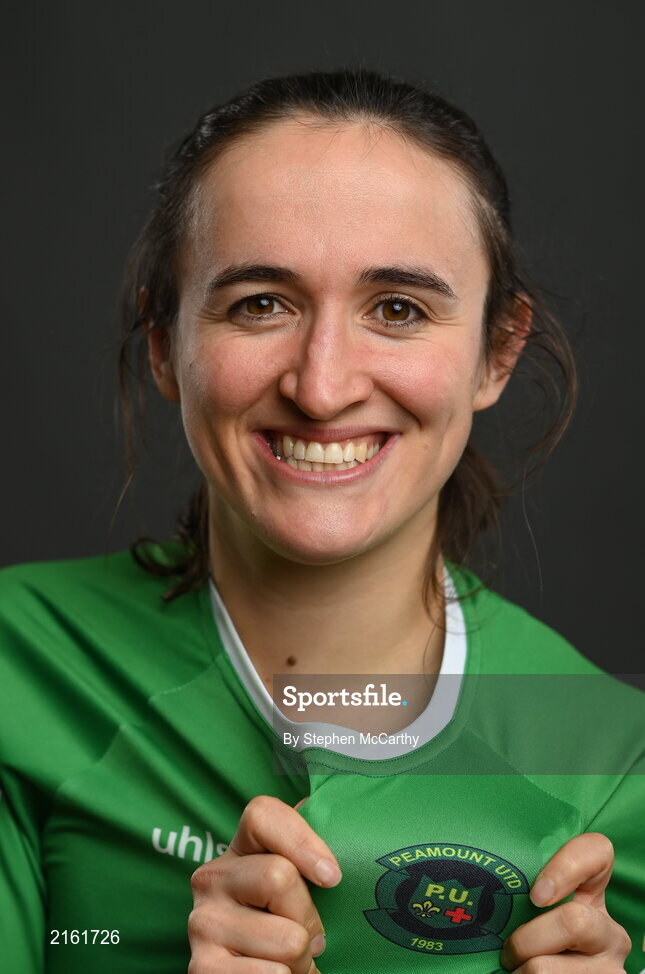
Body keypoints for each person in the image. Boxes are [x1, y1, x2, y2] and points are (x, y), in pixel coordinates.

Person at [0, 69, 641, 974]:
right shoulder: (16, 670)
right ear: (164, 348)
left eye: (397, 309)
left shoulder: (617, 762)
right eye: (260, 303)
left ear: (496, 353)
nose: (322, 384)